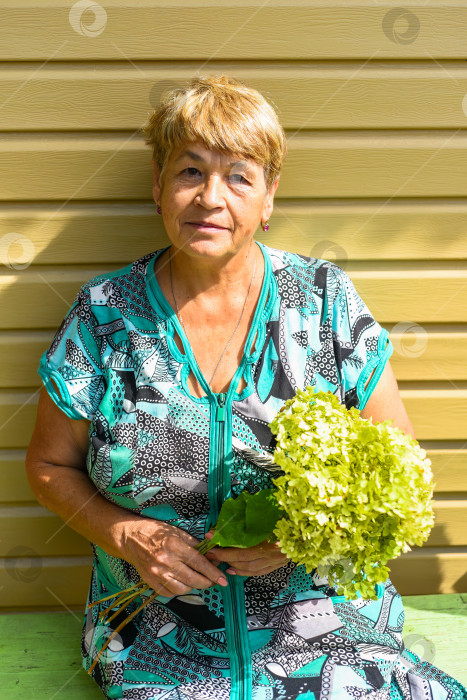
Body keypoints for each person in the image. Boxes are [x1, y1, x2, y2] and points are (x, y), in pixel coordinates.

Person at [26, 75, 466, 700]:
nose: (211, 197)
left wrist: (297, 540)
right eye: (190, 172)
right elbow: (47, 466)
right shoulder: (104, 315)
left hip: (322, 617)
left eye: (239, 176)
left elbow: (399, 471)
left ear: (268, 197)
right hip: (157, 623)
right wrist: (125, 535)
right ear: (158, 187)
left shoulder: (323, 301)